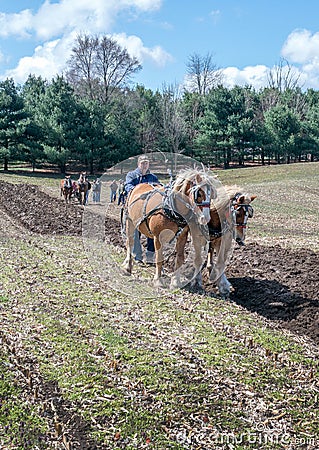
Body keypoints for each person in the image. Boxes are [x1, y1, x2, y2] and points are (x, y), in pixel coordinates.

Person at [124, 155, 160, 265]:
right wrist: (139, 192)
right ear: (138, 164)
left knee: (153, 232)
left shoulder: (152, 177)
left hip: (149, 209)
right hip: (136, 208)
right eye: (142, 163)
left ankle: (150, 257)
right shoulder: (132, 175)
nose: (144, 165)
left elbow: (158, 187)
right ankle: (137, 257)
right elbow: (128, 186)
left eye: (146, 163)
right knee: (135, 233)